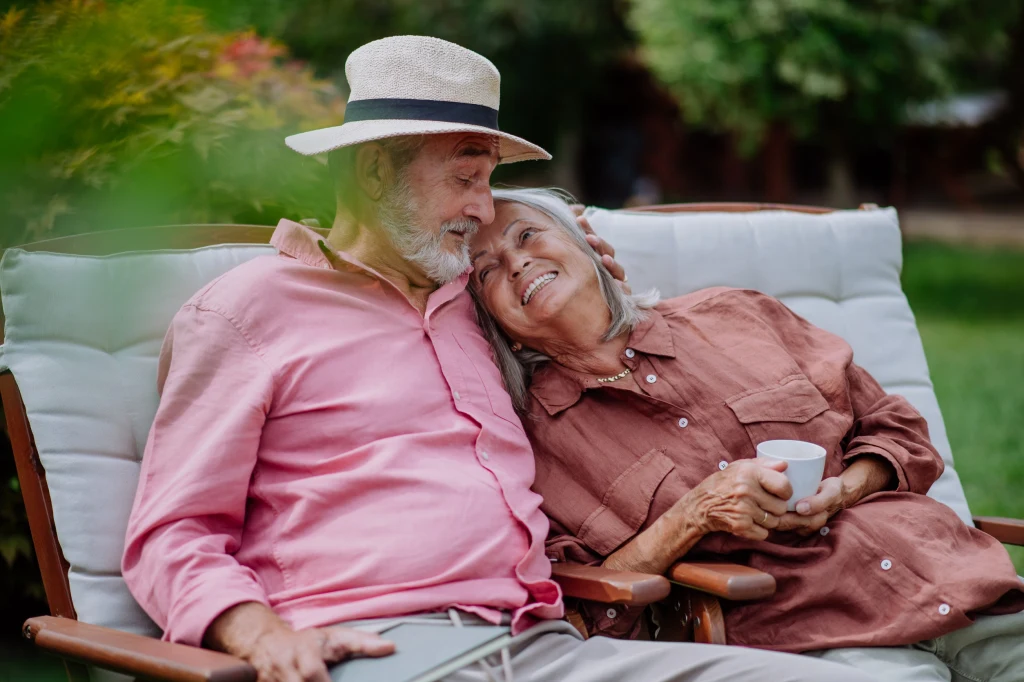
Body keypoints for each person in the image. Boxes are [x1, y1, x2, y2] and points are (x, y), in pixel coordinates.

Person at [121, 36, 876, 682]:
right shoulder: (246, 312)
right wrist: (261, 637)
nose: (484, 210)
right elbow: (171, 532)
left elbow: (582, 323)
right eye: (465, 177)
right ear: (374, 171)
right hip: (374, 650)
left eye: (489, 182)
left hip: (544, 646)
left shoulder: (472, 304)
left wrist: (579, 263)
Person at [466, 187, 1024, 682]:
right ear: (499, 328)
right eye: (487, 270)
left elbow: (898, 429)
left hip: (954, 578)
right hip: (816, 640)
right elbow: (585, 599)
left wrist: (844, 489)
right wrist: (692, 515)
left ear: (590, 248)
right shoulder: (535, 442)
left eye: (528, 234)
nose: (516, 263)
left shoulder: (737, 315)